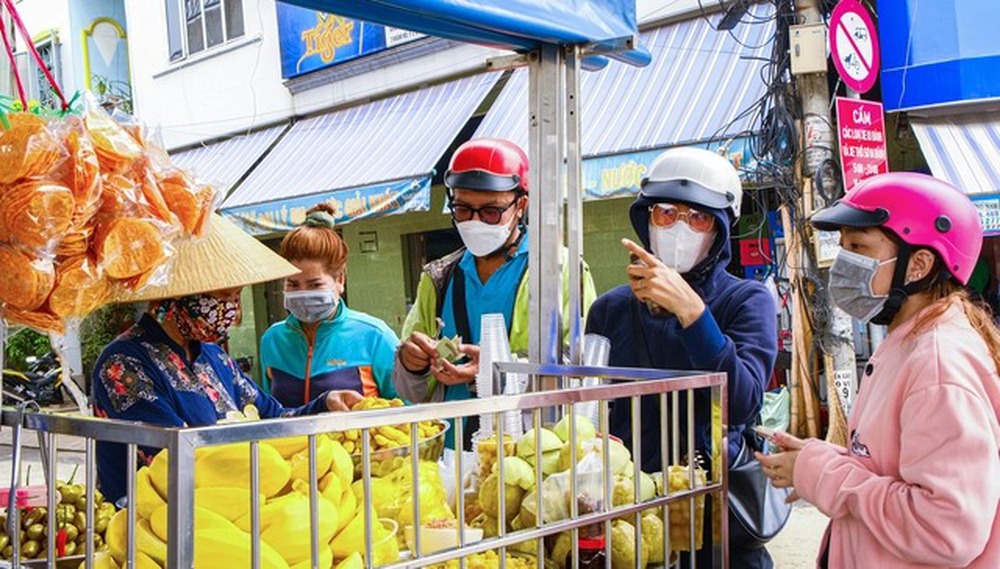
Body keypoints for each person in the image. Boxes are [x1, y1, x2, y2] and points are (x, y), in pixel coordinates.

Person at [759, 172, 1000, 568]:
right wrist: (818, 458)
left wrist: (824, 475)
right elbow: (896, 468)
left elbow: (945, 529)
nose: (843, 263)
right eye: (843, 247)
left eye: (858, 247)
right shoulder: (911, 338)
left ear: (918, 264)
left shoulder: (937, 365)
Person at [584, 146, 777, 568]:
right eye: (666, 212)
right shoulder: (609, 309)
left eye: (698, 217)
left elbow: (742, 403)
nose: (679, 227)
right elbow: (592, 411)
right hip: (631, 514)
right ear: (646, 219)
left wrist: (693, 314)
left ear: (720, 230)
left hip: (714, 513)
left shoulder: (746, 300)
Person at [92, 214, 363, 503]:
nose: (232, 308)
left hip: (223, 514)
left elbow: (272, 418)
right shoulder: (123, 364)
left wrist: (325, 405)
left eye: (237, 296)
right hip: (149, 526)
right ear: (181, 295)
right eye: (224, 295)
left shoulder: (214, 358)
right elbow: (174, 457)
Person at [392, 138, 597, 447]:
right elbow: (411, 391)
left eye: (490, 212)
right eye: (462, 209)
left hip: (531, 455)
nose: (475, 222)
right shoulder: (438, 278)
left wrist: (498, 372)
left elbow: (583, 370)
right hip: (452, 456)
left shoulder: (559, 270)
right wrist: (412, 364)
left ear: (521, 206)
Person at [259, 204, 400, 407]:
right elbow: (268, 410)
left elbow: (404, 407)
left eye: (314, 284)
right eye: (292, 284)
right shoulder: (272, 340)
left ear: (340, 280)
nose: (302, 293)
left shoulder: (375, 336)